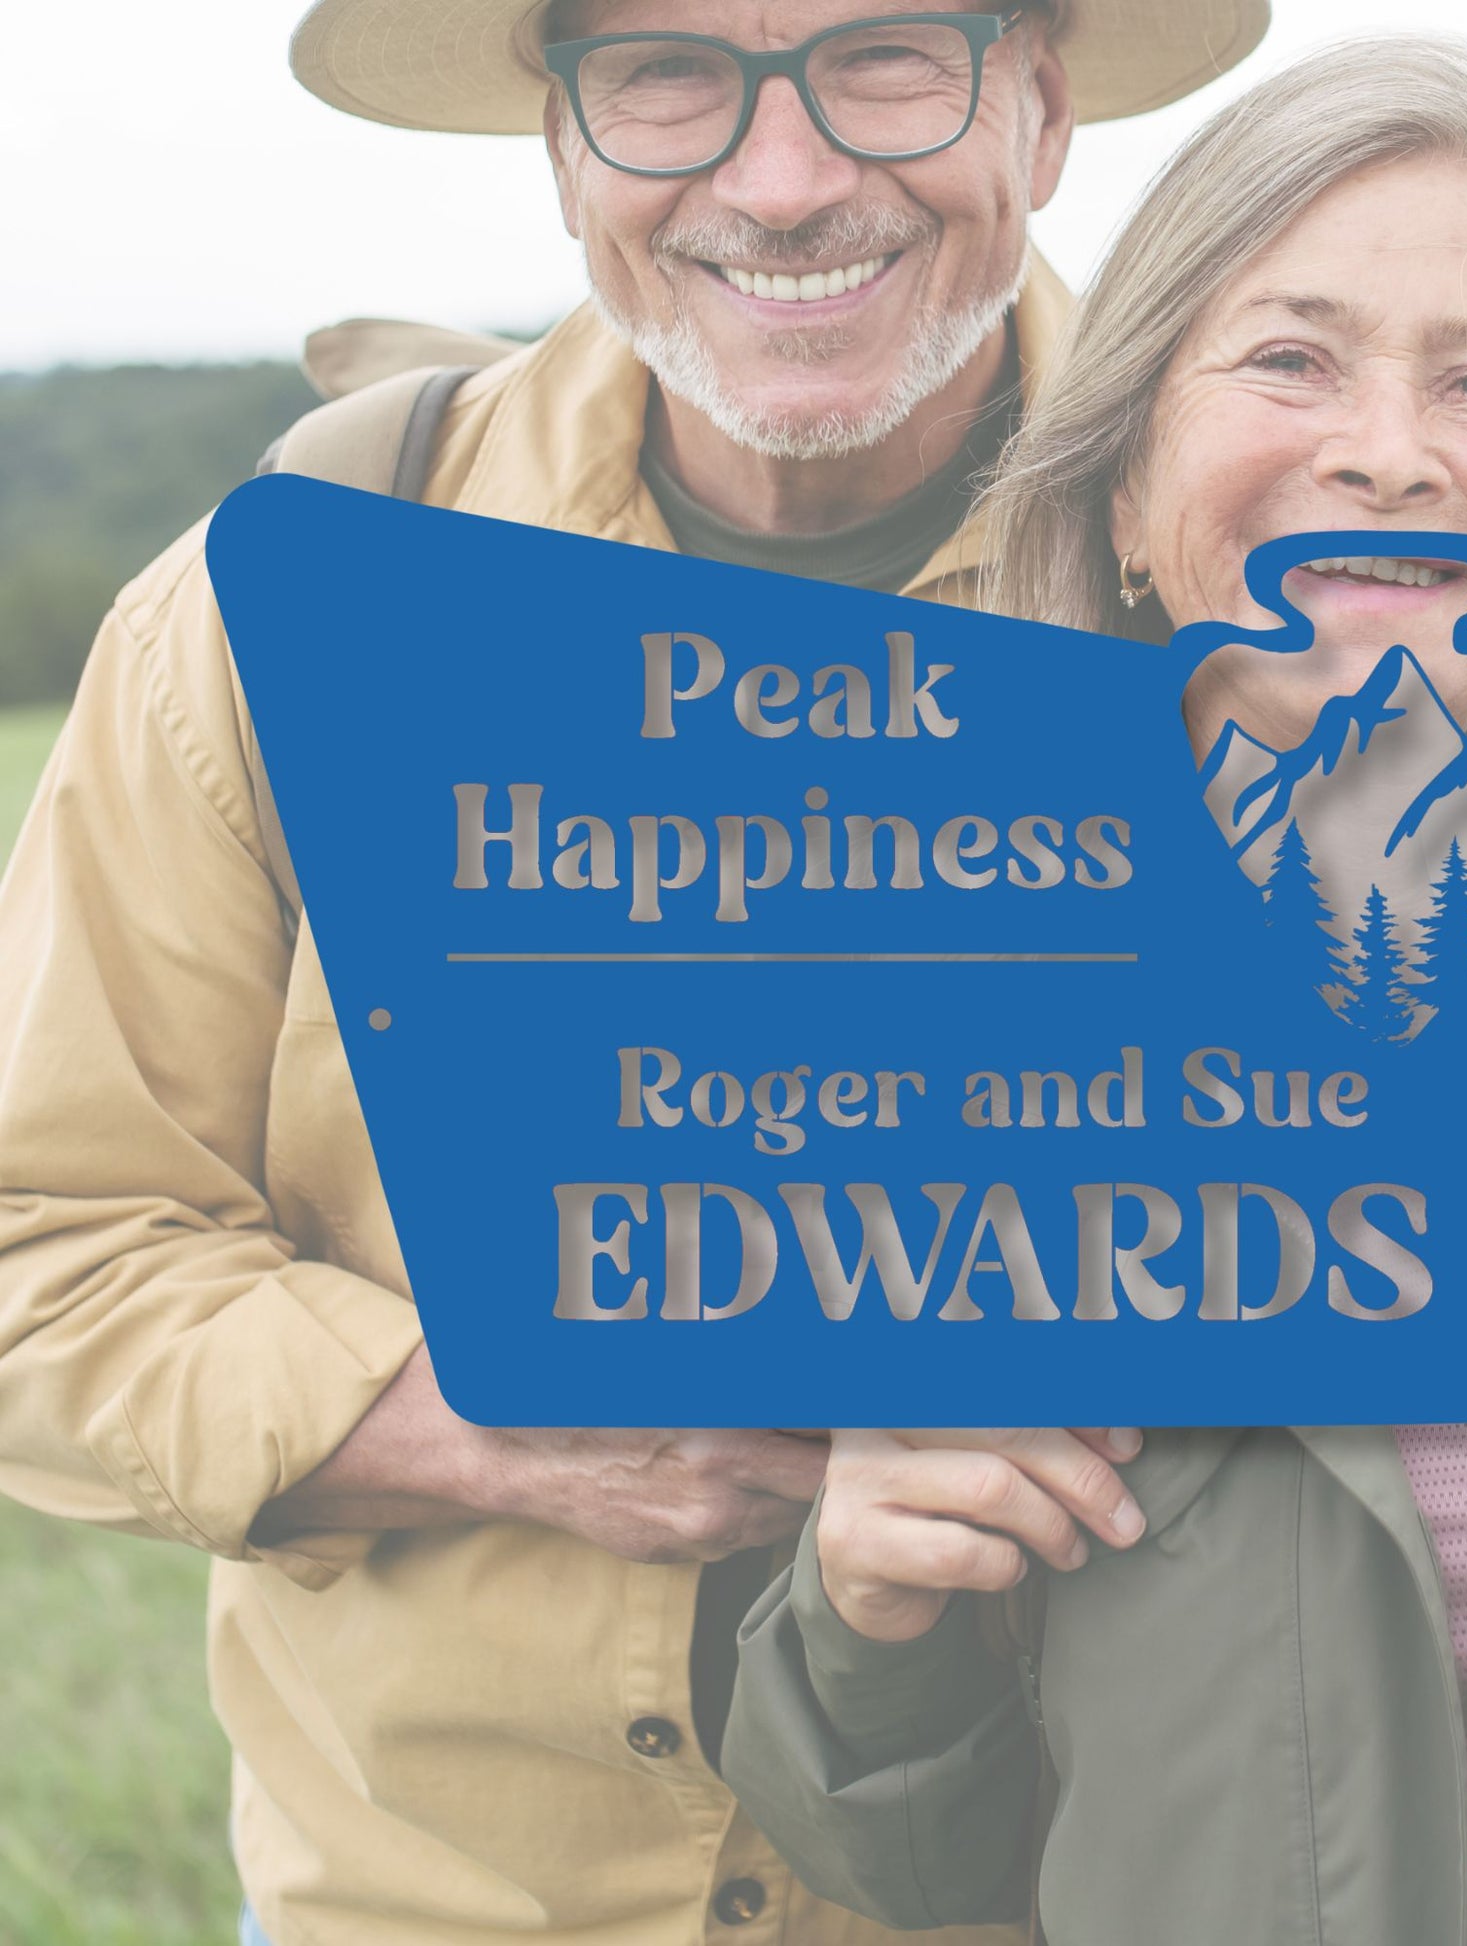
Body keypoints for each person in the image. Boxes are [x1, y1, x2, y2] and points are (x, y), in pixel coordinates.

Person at [0, 4, 1268, 1944]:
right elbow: (43, 1253)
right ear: (561, 147)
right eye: (666, 71)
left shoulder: (1259, 593)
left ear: (1041, 106)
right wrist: (503, 1422)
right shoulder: (276, 606)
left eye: (890, 54)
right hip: (425, 1904)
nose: (780, 181)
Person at [720, 35, 1467, 1945]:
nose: (1388, 448)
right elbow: (906, 1850)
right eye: (1289, 360)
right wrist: (871, 1603)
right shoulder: (909, 1015)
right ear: (1129, 491)